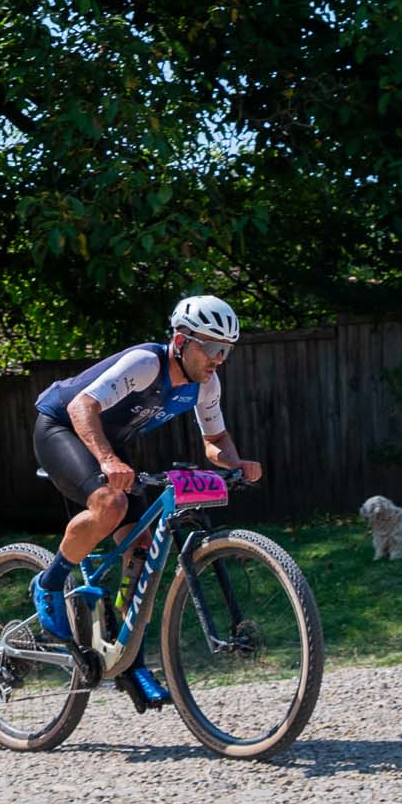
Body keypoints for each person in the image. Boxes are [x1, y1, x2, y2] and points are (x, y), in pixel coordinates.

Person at [29, 295, 263, 704]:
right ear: (181, 341)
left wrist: (236, 463)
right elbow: (82, 406)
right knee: (111, 504)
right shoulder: (146, 363)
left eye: (226, 350)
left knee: (142, 547)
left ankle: (130, 661)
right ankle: (48, 583)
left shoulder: (206, 384)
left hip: (107, 443)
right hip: (62, 427)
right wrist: (107, 460)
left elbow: (215, 439)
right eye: (212, 347)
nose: (219, 359)